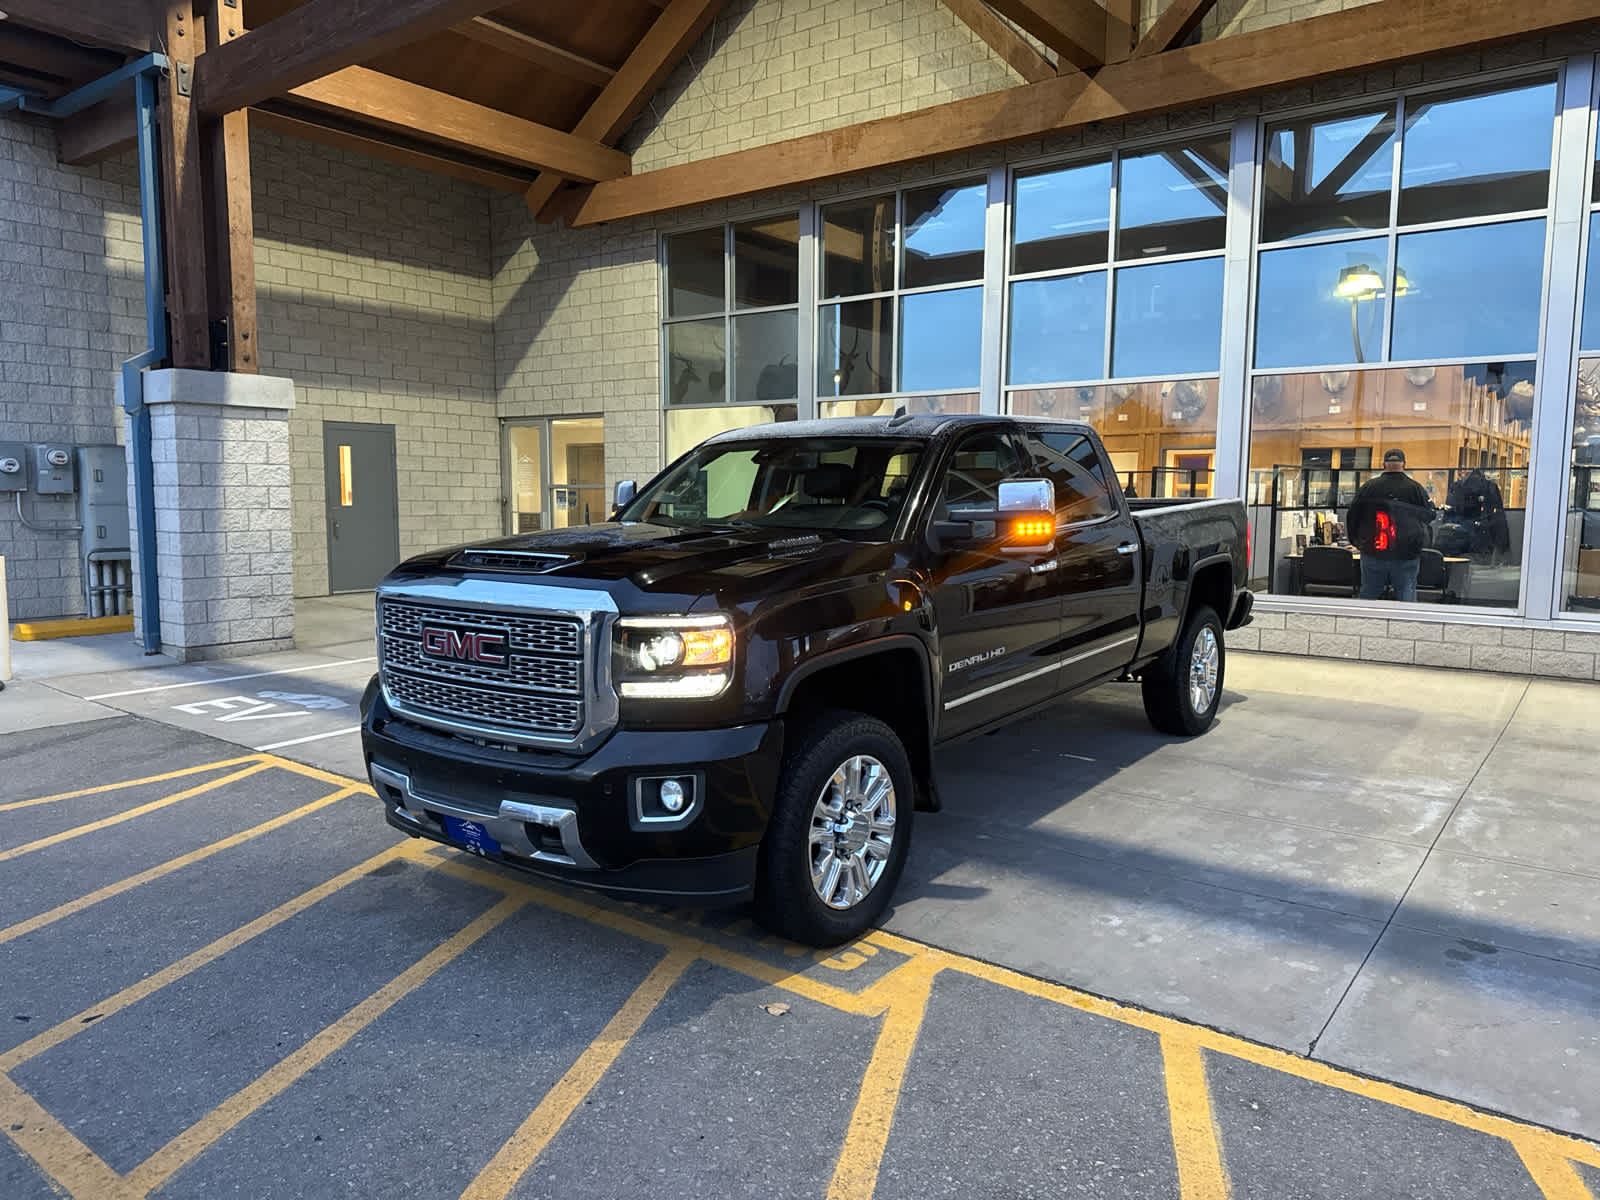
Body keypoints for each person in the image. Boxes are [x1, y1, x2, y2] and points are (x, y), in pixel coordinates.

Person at [1345, 449, 1435, 602]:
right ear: (1404, 464)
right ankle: (1405, 618)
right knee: (1406, 594)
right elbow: (1430, 515)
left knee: (1369, 593)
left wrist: (1357, 542)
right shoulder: (1415, 488)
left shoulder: (1368, 487)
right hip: (1406, 553)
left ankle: (1365, 617)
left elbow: (1353, 515)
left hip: (1373, 551)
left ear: (1383, 464)